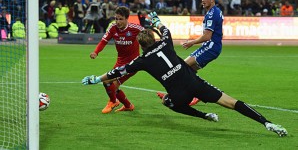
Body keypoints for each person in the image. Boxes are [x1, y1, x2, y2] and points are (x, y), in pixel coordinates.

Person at [82, 12, 288, 137]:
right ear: (153, 40)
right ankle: (267, 123)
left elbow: (116, 72)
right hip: (195, 84)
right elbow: (166, 30)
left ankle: (204, 116)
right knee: (231, 102)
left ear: (141, 45)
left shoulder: (141, 61)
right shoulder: (164, 42)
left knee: (168, 103)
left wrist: (95, 79)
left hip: (179, 94)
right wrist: (157, 21)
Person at [157, 0, 224, 105]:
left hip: (210, 48)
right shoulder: (214, 11)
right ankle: (194, 95)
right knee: (189, 72)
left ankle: (202, 93)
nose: (202, 0)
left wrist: (191, 42)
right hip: (211, 47)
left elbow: (207, 36)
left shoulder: (212, 14)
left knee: (180, 68)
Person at [89, 6, 144, 114]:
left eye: (120, 19)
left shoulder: (136, 28)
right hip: (120, 62)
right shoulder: (113, 28)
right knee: (108, 83)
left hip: (133, 64)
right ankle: (127, 105)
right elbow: (103, 41)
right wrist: (96, 52)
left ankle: (113, 101)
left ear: (126, 18)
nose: (118, 21)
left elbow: (148, 35)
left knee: (110, 83)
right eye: (116, 18)